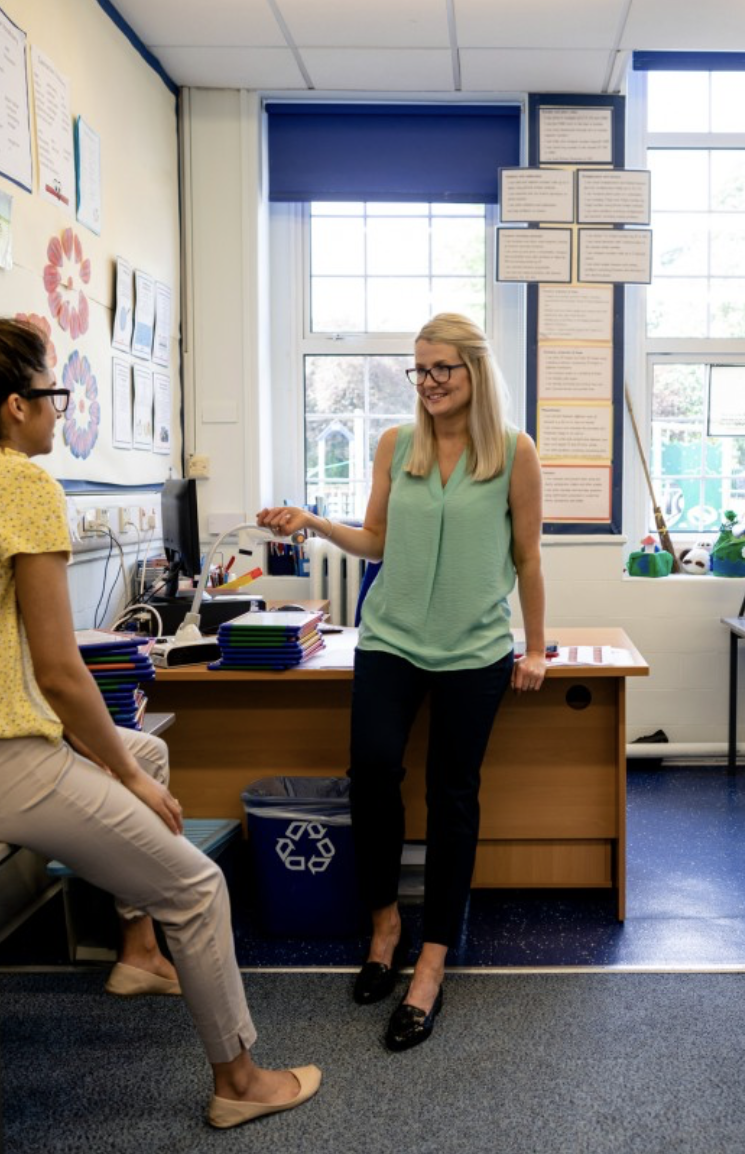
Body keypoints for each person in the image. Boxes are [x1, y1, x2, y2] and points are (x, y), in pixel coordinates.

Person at [0, 312, 319, 1128]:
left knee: (146, 752)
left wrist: (123, 765)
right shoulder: (18, 485)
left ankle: (138, 955)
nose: (60, 411)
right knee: (197, 886)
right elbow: (59, 672)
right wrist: (122, 781)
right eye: (54, 395)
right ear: (15, 406)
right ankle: (240, 1082)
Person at [257, 312, 546, 1051]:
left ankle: (433, 963)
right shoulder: (396, 444)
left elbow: (528, 557)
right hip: (390, 640)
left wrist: (537, 648)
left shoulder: (515, 452)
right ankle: (384, 924)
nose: (429, 382)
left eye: (442, 368)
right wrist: (313, 522)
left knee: (453, 796)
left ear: (475, 371)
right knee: (374, 772)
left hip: (475, 649)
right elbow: (377, 540)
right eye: (419, 369)